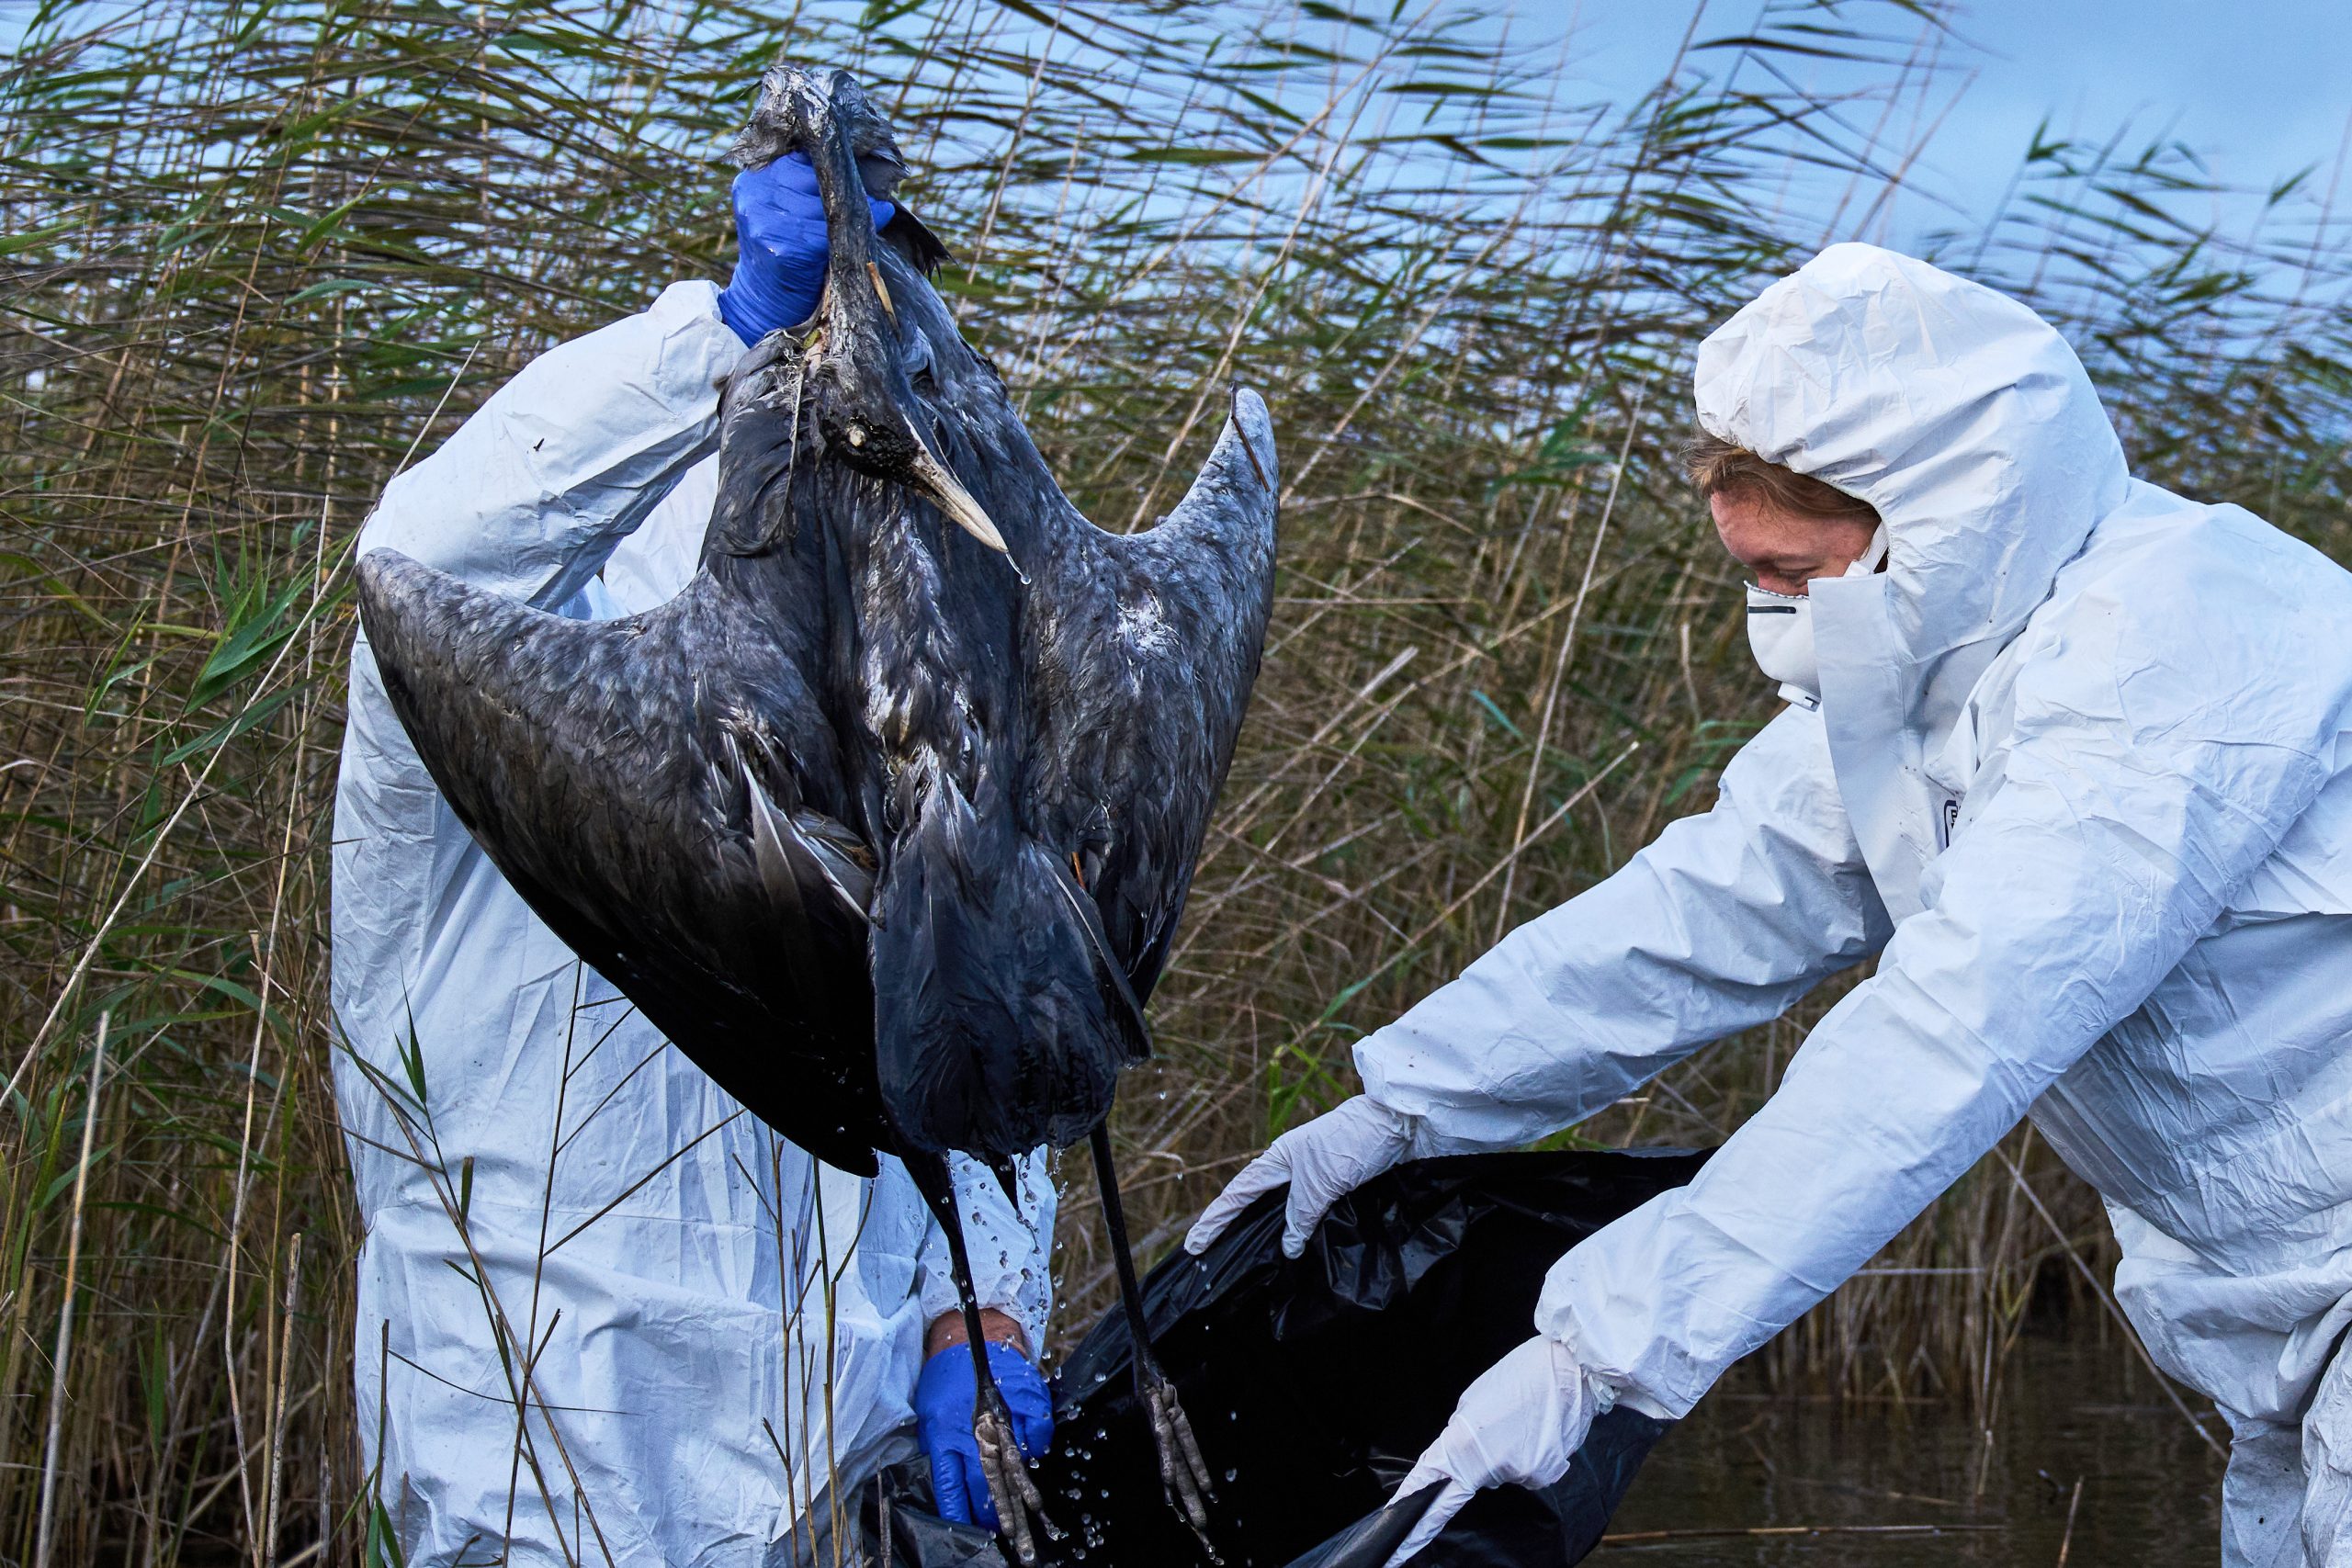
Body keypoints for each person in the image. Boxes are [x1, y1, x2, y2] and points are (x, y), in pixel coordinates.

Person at [1188, 242, 2352, 1568]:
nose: (1776, 614)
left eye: (1799, 572)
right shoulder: (1934, 666)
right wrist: (1403, 1101)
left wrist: (1602, 1352)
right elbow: (1706, 910)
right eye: (1755, 574)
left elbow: (1956, 1028)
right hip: (2268, 1307)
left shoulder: (2176, 638)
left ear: (1949, 520)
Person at [331, 152, 1055, 1566]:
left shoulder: (903, 694)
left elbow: (976, 1052)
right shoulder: (514, 661)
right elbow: (425, 556)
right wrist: (720, 338)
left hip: (839, 1461)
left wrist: (983, 1315)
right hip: (541, 1456)